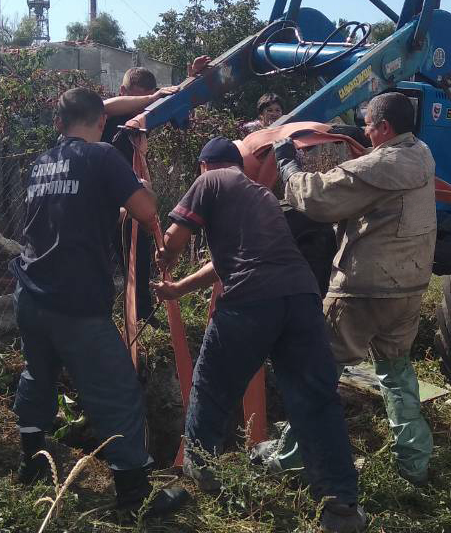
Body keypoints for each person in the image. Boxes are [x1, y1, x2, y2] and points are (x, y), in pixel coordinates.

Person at [152, 137, 366, 533]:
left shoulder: (210, 181)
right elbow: (225, 261)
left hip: (251, 300)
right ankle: (341, 507)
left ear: (205, 165)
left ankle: (202, 475)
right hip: (300, 298)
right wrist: (180, 288)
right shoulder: (260, 195)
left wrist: (161, 249)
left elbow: (173, 242)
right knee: (317, 400)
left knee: (212, 386)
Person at [10, 87, 188, 517]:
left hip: (29, 294)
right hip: (76, 303)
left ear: (57, 124)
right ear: (102, 123)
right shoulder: (103, 157)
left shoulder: (38, 164)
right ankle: (135, 496)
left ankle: (31, 459)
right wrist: (142, 187)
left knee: (40, 373)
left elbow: (68, 208)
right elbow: (146, 207)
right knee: (116, 391)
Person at [258, 91, 436, 486]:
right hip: (409, 286)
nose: (366, 133)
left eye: (369, 126)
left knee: (318, 372)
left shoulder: (382, 164)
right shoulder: (421, 153)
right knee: (397, 373)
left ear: (385, 129)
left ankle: (292, 456)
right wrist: (353, 132)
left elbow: (319, 199)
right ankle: (414, 461)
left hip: (364, 287)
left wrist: (287, 166)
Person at [102, 60, 208, 322]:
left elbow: (173, 102)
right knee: (98, 259)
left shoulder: (143, 118)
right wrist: (149, 98)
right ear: (123, 92)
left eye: (146, 98)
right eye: (137, 98)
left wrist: (190, 78)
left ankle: (141, 313)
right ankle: (103, 316)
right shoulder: (108, 114)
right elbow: (104, 105)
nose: (142, 105)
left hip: (130, 199)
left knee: (138, 258)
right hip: (101, 199)